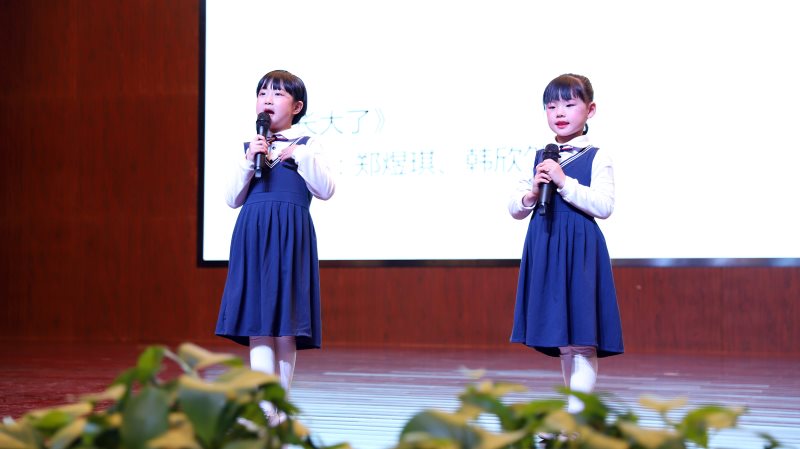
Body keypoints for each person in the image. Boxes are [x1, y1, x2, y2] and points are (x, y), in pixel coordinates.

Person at [215, 69, 335, 424]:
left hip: (291, 234)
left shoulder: (309, 145)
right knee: (258, 322)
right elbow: (231, 199)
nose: (268, 99)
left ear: (297, 107)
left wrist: (300, 157)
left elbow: (326, 190)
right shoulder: (250, 146)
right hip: (253, 233)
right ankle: (265, 406)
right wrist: (249, 160)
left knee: (286, 322)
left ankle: (279, 404)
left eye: (278, 94)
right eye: (263, 93)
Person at [508, 73, 623, 415]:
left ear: (590, 110)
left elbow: (604, 206)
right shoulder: (539, 156)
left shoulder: (597, 156)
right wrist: (531, 193)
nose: (559, 112)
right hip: (545, 244)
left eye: (570, 104)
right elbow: (514, 208)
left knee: (583, 339)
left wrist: (564, 182)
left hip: (580, 250)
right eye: (551, 106)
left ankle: (575, 419)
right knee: (564, 342)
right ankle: (571, 418)